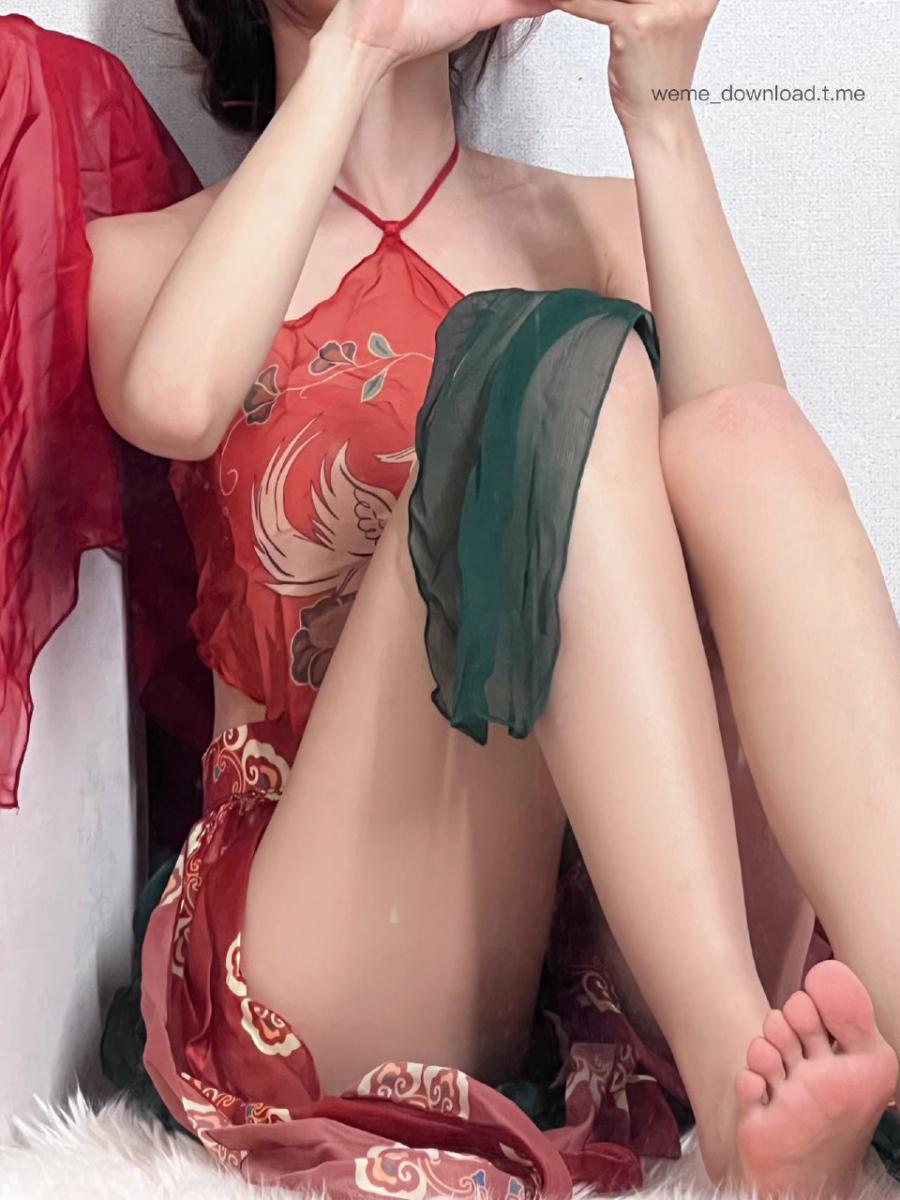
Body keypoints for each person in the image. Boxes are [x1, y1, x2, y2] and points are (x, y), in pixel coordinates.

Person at [83, 0, 900, 1196]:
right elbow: (175, 400)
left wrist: (659, 105)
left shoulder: (595, 221)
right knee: (541, 366)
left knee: (746, 437)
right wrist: (356, 47)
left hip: (591, 926)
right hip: (337, 934)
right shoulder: (149, 259)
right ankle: (739, 1087)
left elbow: (751, 527)